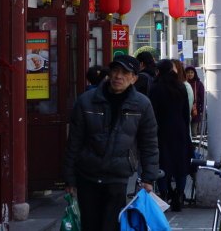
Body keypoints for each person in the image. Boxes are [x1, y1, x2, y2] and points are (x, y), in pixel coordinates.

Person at [63, 55, 159, 231]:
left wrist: (148, 178)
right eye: (115, 71)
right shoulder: (86, 101)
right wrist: (69, 178)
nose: (118, 76)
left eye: (125, 73)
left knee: (112, 225)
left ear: (134, 78)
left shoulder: (142, 105)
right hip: (88, 174)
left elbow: (149, 143)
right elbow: (73, 142)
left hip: (118, 175)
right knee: (89, 225)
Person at [149, 59, 192, 211]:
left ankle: (164, 194)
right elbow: (186, 112)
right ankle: (179, 195)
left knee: (163, 164)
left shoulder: (154, 88)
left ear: (159, 71)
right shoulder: (180, 87)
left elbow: (151, 113)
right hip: (179, 129)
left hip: (161, 131)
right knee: (180, 164)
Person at [185, 65, 205, 136]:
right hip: (184, 111)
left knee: (193, 132)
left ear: (195, 73)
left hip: (195, 112)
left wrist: (202, 110)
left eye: (192, 72)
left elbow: (203, 98)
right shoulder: (183, 83)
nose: (190, 74)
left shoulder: (199, 84)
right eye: (188, 72)